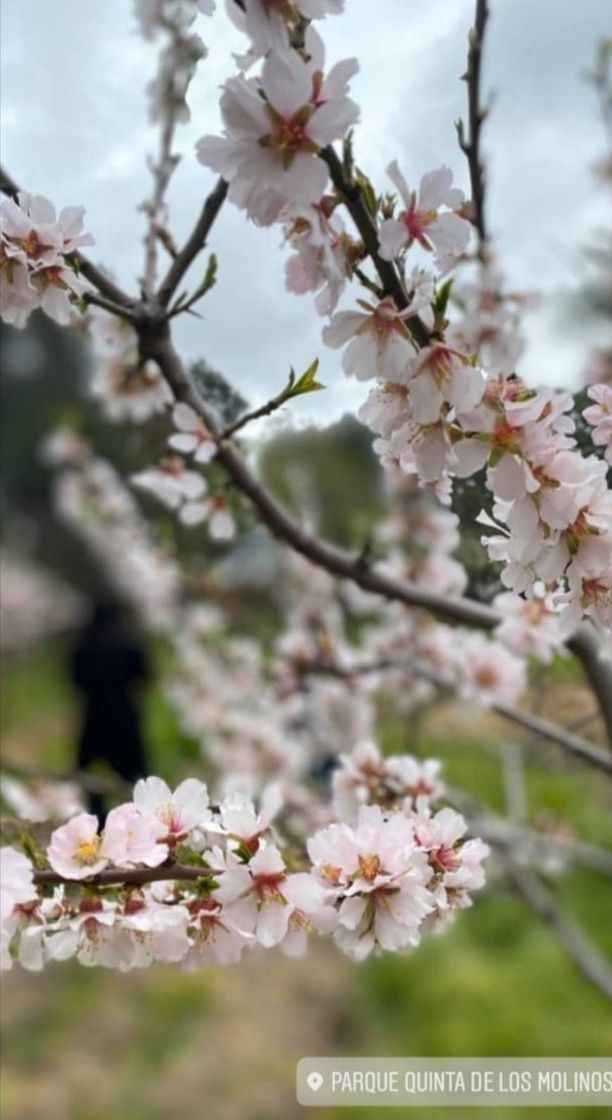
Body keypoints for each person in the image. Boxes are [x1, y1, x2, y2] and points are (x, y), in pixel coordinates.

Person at [71, 599, 150, 823]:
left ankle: (97, 818)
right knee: (135, 773)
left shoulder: (83, 645)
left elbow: (76, 679)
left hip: (94, 715)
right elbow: (143, 676)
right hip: (124, 714)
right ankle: (140, 820)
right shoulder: (129, 644)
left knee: (90, 774)